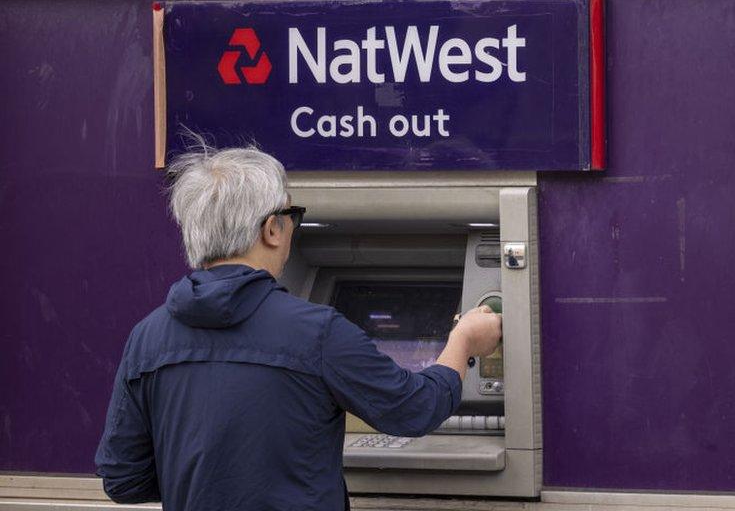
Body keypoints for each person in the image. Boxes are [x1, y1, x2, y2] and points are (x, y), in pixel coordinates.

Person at [94, 144, 502, 510]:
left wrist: (211, 483)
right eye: (294, 215)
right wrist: (463, 341)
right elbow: (414, 410)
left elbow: (124, 479)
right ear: (272, 228)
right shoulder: (314, 331)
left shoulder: (147, 337)